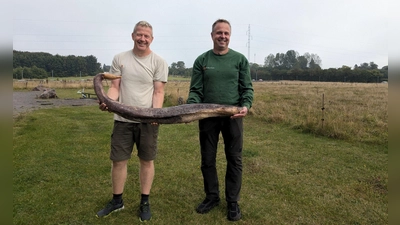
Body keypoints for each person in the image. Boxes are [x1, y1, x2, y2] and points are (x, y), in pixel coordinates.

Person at [96, 20, 168, 222]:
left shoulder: (158, 62)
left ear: (151, 39)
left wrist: (156, 115)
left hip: (148, 121)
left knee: (147, 160)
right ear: (133, 36)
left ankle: (145, 200)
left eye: (146, 36)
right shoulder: (120, 59)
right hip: (122, 119)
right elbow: (115, 87)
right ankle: (117, 200)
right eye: (139, 34)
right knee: (118, 160)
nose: (142, 39)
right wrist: (108, 101)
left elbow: (158, 91)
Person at [186, 19, 254, 221]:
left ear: (230, 36)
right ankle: (212, 197)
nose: (222, 36)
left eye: (226, 33)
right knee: (207, 159)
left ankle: (232, 202)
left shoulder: (240, 60)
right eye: (218, 33)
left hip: (233, 115)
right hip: (207, 116)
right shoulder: (202, 60)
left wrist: (246, 106)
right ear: (212, 35)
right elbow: (196, 90)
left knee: (234, 158)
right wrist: (191, 107)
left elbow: (247, 88)